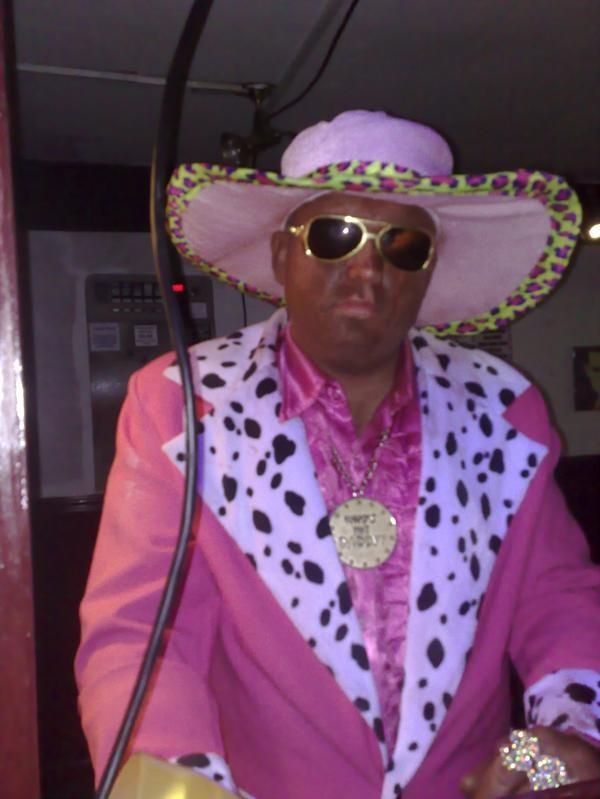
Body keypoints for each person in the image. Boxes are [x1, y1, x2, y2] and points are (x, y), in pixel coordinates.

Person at [76, 110, 600, 799]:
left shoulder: (503, 410)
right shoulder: (187, 405)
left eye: (403, 246)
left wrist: (570, 737)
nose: (367, 269)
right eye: (335, 236)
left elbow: (555, 595)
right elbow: (144, 635)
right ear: (281, 256)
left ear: (428, 270)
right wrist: (177, 790)